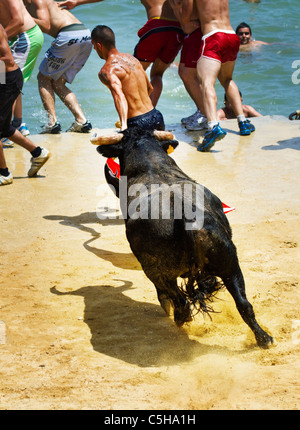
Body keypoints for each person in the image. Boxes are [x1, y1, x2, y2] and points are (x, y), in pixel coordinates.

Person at [179, 0, 256, 152]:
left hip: (213, 36)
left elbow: (186, 18)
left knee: (206, 83)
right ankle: (243, 122)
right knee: (227, 79)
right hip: (231, 36)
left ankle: (213, 126)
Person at [0, 24, 50, 186]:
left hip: (8, 78)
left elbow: (6, 59)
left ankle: (4, 173)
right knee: (5, 127)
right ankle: (38, 153)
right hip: (4, 77)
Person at [91, 24, 165, 132]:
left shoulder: (106, 70)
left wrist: (123, 125)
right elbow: (150, 88)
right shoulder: (132, 59)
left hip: (138, 123)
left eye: (93, 45)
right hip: (156, 116)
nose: (94, 49)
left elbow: (118, 95)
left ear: (99, 45)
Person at [36, 0, 93, 133]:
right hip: (85, 35)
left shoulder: (33, 2)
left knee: (43, 78)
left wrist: (25, 17)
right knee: (58, 82)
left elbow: (46, 26)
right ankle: (81, 121)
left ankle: (52, 123)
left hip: (68, 35)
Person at [0, 0, 46, 145]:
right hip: (19, 38)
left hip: (25, 38)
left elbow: (19, 20)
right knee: (7, 81)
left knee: (7, 82)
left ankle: (5, 132)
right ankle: (18, 125)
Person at [133, 1, 185, 107]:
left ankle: (136, 111)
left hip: (157, 26)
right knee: (157, 74)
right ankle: (151, 110)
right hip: (177, 29)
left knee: (135, 72)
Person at [169, 0, 207, 130]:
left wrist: (188, 21)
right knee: (183, 73)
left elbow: (187, 15)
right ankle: (200, 110)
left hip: (196, 34)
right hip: (188, 34)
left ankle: (205, 114)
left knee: (190, 75)